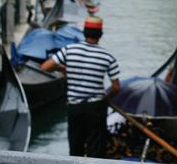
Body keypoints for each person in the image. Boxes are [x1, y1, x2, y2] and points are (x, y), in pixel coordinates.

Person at [42, 16, 121, 158]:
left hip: (75, 107)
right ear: (100, 35)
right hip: (96, 107)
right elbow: (116, 87)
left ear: (84, 32)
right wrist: (105, 98)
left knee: (75, 147)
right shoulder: (107, 57)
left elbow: (45, 67)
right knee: (96, 149)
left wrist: (62, 68)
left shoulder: (69, 50)